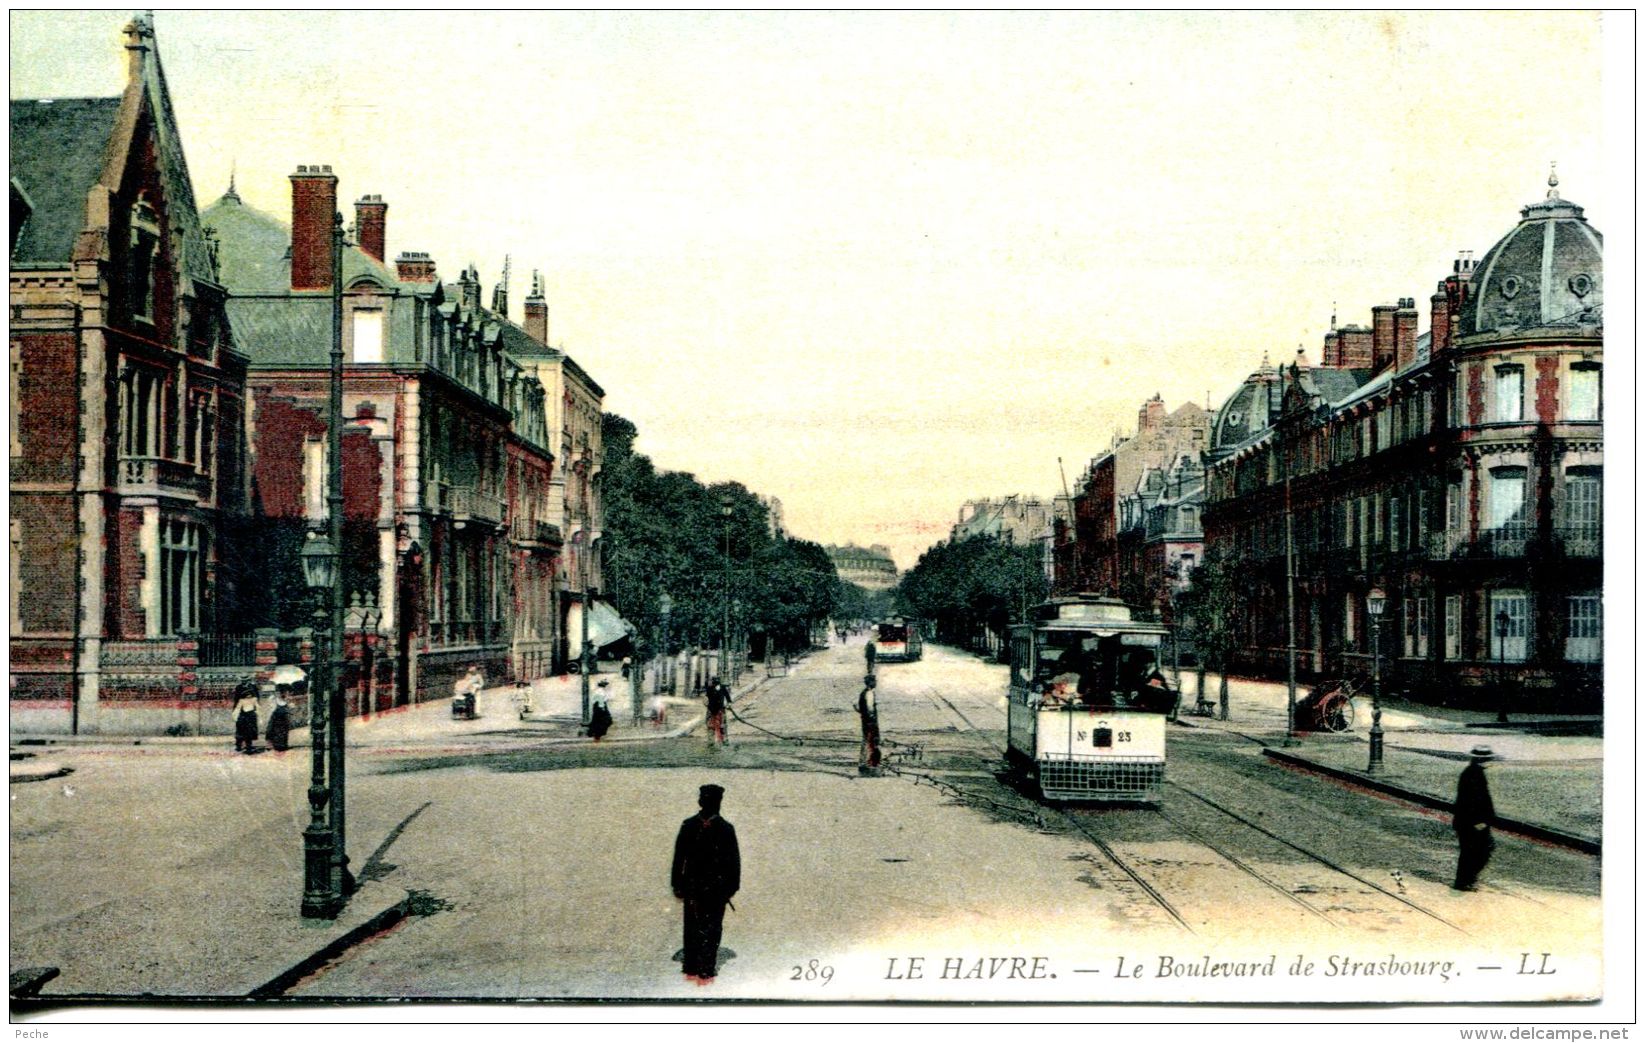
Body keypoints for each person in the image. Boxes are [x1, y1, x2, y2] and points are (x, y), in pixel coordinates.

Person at [671, 783, 740, 983]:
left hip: (717, 889)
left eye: (716, 801)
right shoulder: (689, 825)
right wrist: (677, 883)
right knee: (693, 926)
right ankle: (692, 965)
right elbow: (679, 857)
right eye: (709, 800)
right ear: (701, 802)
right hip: (693, 887)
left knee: (712, 927)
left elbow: (734, 862)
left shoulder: (726, 829)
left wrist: (731, 887)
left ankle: (707, 967)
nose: (713, 804)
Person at [1452, 744, 1497, 891]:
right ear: (1480, 760)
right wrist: (1478, 822)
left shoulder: (1475, 772)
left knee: (1474, 851)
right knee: (1476, 851)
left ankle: (1466, 880)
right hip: (1472, 823)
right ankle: (1465, 881)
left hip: (1471, 822)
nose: (1489, 761)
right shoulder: (1472, 774)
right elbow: (1471, 800)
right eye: (1486, 759)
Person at [857, 674, 882, 773]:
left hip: (865, 721)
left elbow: (862, 709)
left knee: (867, 741)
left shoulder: (863, 693)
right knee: (870, 741)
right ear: (870, 682)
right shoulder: (869, 693)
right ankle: (867, 763)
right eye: (874, 681)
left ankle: (864, 762)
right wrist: (872, 721)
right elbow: (870, 709)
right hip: (870, 722)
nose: (876, 683)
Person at [232, 682, 260, 754]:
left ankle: (248, 747)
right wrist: (235, 715)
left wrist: (257, 713)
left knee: (249, 732)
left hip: (250, 714)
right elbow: (236, 702)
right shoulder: (238, 688)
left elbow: (257, 704)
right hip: (242, 714)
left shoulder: (253, 688)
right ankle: (239, 746)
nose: (249, 696)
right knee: (240, 730)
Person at [705, 676, 729, 747]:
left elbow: (728, 697)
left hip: (720, 710)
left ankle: (724, 740)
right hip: (711, 709)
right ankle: (711, 741)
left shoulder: (722, 688)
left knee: (722, 726)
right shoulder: (709, 688)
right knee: (710, 725)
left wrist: (728, 704)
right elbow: (706, 698)